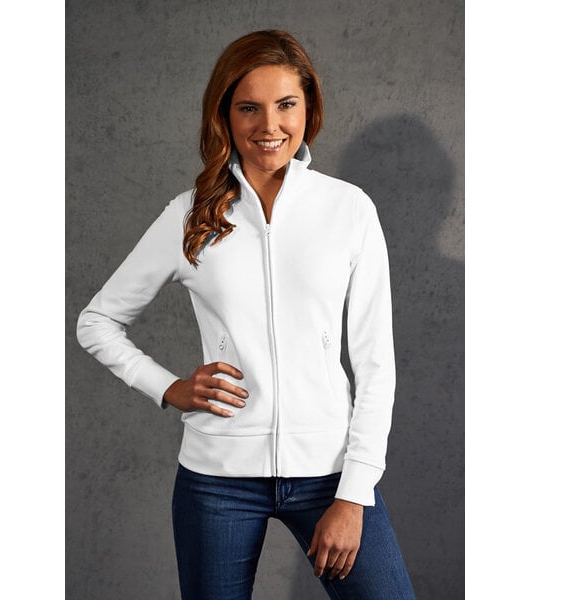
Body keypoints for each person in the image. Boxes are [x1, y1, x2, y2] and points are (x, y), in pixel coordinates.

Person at [76, 29, 416, 600]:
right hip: (217, 480)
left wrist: (354, 493)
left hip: (330, 472)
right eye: (249, 108)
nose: (269, 125)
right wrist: (168, 388)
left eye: (286, 104)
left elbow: (375, 363)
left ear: (308, 109)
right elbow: (97, 321)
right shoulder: (192, 216)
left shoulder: (348, 209)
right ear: (225, 116)